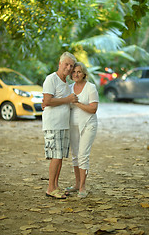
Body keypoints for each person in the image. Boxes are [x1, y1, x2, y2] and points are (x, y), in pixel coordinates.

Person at [42, 51, 78, 199]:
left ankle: (56, 186)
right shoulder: (51, 79)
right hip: (53, 124)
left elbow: (65, 102)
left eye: (71, 66)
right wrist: (67, 99)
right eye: (66, 64)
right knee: (55, 157)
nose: (69, 68)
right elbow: (48, 101)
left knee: (60, 157)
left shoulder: (66, 84)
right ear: (60, 64)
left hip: (64, 125)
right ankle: (50, 188)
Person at [66, 62, 99, 198]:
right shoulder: (69, 88)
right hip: (73, 125)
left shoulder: (90, 88)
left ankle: (83, 187)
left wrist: (77, 103)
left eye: (79, 72)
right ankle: (77, 183)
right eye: (73, 72)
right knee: (75, 156)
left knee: (83, 155)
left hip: (88, 125)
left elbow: (93, 109)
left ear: (84, 73)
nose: (76, 74)